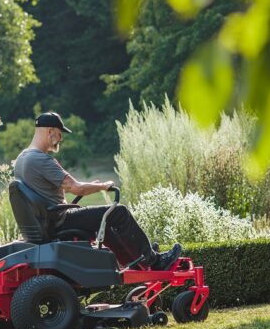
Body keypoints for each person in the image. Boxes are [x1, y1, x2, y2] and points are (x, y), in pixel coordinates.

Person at [13, 111, 180, 269]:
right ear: (50, 131)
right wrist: (103, 186)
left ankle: (137, 259)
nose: (61, 139)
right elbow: (76, 188)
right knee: (119, 212)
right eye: (59, 133)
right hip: (60, 221)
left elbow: (52, 189)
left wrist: (91, 185)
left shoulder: (22, 159)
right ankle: (155, 261)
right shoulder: (41, 159)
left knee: (102, 223)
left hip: (47, 222)